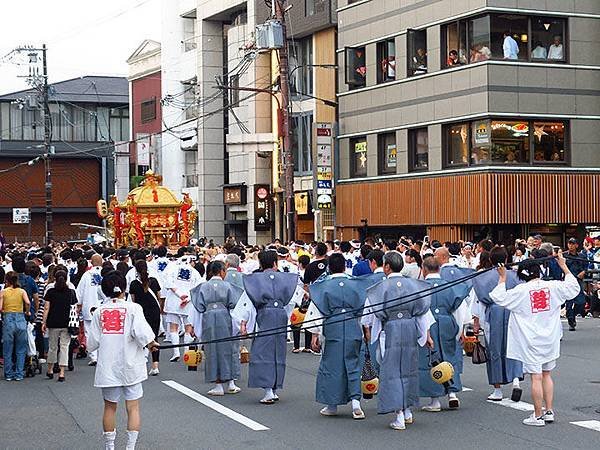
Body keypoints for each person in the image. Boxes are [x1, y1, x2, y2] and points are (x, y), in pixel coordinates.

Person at [490, 252, 579, 426]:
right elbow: (573, 288)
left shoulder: (520, 291)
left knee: (536, 377)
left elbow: (498, 297)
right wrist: (563, 266)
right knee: (547, 374)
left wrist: (502, 278)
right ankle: (549, 410)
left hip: (531, 340)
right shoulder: (553, 286)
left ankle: (537, 415)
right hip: (550, 338)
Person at [361, 251, 435, 430]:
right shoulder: (414, 286)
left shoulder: (380, 288)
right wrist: (427, 336)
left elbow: (367, 317)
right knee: (409, 368)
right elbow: (423, 313)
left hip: (390, 329)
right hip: (410, 327)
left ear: (387, 266)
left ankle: (399, 415)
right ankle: (408, 410)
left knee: (392, 371)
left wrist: (368, 332)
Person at [88, 270, 158, 450]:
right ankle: (130, 447)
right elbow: (142, 333)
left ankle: (110, 446)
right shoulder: (133, 308)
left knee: (110, 407)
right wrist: (150, 343)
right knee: (133, 407)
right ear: (123, 288)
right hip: (131, 364)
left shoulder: (99, 312)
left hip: (108, 365)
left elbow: (92, 343)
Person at [233, 250, 304, 404]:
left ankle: (268, 390)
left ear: (261, 263)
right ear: (274, 263)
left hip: (265, 315)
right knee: (278, 350)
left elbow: (247, 302)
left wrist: (243, 323)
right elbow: (298, 296)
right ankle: (274, 388)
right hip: (280, 315)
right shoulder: (286, 279)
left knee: (262, 351)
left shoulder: (255, 280)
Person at [305, 253, 368, 419]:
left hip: (333, 326)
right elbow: (365, 309)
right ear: (344, 266)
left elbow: (316, 311)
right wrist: (365, 329)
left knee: (331, 365)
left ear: (329, 268)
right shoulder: (356, 285)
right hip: (353, 325)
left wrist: (314, 335)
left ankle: (332, 405)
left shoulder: (323, 286)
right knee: (353, 364)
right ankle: (356, 403)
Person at [471, 247, 523, 401]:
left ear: (490, 259)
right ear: (506, 258)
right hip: (513, 312)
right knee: (514, 346)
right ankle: (515, 381)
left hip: (493, 312)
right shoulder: (515, 275)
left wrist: (476, 321)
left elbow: (479, 300)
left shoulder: (481, 277)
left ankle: (498, 390)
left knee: (494, 349)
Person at [418, 257, 468, 411]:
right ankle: (452, 393)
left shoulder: (421, 288)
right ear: (439, 269)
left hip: (429, 322)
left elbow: (419, 313)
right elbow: (460, 311)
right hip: (447, 321)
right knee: (449, 356)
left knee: (432, 359)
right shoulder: (451, 286)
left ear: (424, 269)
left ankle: (435, 400)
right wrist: (459, 331)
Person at [190, 261, 243, 396]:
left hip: (208, 318)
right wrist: (239, 326)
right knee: (229, 348)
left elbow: (197, 309)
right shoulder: (229, 286)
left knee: (212, 350)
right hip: (225, 317)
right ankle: (231, 383)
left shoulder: (202, 287)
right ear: (222, 271)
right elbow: (235, 308)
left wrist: (193, 326)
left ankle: (218, 385)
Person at [163, 255, 204, 362]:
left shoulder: (173, 269)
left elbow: (168, 283)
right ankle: (186, 351)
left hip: (173, 300)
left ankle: (176, 352)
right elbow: (198, 287)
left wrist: (179, 294)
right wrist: (188, 298)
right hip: (188, 303)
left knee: (173, 328)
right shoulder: (194, 272)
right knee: (188, 327)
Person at [42, 269, 77, 382]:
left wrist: (44, 322)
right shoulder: (71, 292)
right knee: (64, 347)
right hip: (67, 323)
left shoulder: (51, 292)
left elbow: (46, 308)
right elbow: (75, 308)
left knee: (52, 347)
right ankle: (62, 372)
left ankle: (50, 369)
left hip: (53, 322)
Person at [129, 260, 162, 376]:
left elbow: (133, 300)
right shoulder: (154, 281)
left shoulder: (133, 284)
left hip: (141, 312)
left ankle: (142, 363)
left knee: (141, 337)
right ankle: (155, 366)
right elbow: (159, 297)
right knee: (154, 337)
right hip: (154, 311)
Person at [0, 271, 31, 381]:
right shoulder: (22, 291)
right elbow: (27, 302)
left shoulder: (3, 292)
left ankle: (8, 374)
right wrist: (27, 312)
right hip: (20, 318)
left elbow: (0, 307)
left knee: (8, 348)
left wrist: (4, 310)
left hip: (8, 319)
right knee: (21, 348)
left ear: (6, 280)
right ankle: (19, 374)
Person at [76, 254, 104, 366]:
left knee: (89, 332)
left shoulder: (86, 275)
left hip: (89, 306)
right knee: (103, 331)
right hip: (103, 306)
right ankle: (103, 355)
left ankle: (93, 356)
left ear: (91, 263)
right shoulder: (106, 273)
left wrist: (78, 305)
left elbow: (80, 292)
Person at [564, 238, 588, 331]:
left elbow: (586, 266)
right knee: (569, 302)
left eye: (573, 244)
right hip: (569, 281)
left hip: (578, 280)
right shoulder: (565, 256)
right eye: (569, 244)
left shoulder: (582, 256)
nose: (570, 246)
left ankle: (574, 314)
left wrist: (583, 272)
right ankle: (571, 321)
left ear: (577, 245)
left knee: (581, 301)